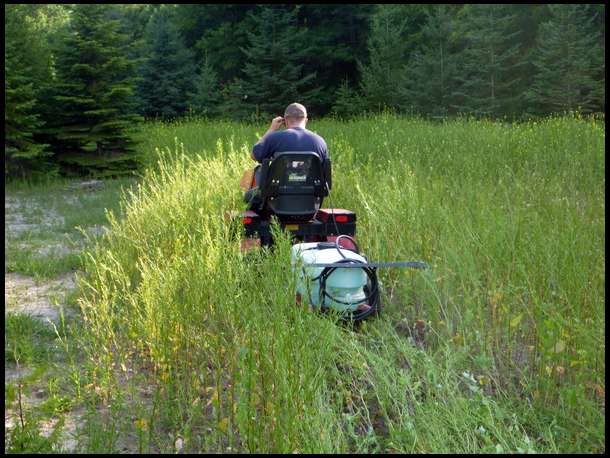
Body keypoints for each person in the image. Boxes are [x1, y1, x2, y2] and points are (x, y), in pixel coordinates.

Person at [243, 103, 329, 206]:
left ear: (285, 121)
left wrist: (271, 129)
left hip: (277, 201)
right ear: (306, 120)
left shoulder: (274, 138)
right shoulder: (320, 142)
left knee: (258, 169)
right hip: (310, 202)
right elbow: (324, 175)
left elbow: (254, 155)